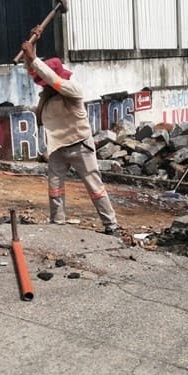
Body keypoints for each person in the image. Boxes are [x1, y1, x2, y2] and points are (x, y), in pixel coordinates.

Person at [20, 34, 119, 236]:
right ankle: (57, 223)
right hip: (57, 147)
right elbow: (33, 71)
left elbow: (50, 77)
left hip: (80, 145)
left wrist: (34, 57)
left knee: (95, 187)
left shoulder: (72, 89)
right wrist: (33, 45)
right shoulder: (48, 94)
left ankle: (112, 226)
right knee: (54, 188)